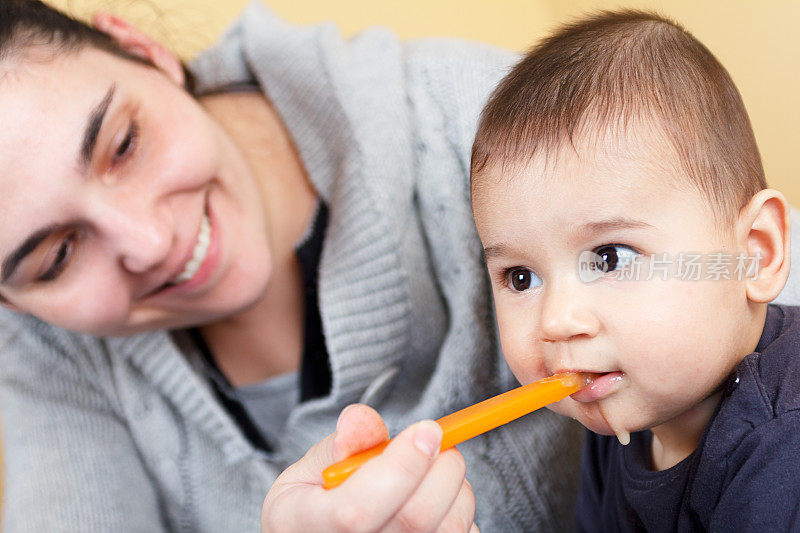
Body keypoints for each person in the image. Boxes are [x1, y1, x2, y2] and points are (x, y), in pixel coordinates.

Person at [0, 0, 588, 530]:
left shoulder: (485, 121)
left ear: (142, 50)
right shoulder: (44, 344)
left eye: (124, 145)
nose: (150, 242)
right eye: (58, 258)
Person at [469, 10, 800, 532]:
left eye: (609, 258)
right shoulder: (619, 407)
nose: (557, 323)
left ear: (754, 254)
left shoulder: (783, 444)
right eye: (521, 278)